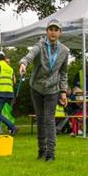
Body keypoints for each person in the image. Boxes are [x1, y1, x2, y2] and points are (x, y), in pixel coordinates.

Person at [19, 18, 69, 161]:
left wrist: (63, 92)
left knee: (49, 119)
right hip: (36, 87)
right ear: (47, 32)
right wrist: (23, 64)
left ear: (60, 32)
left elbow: (63, 73)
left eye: (56, 30)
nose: (53, 32)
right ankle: (41, 150)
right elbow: (29, 56)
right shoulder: (40, 45)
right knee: (40, 119)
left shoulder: (64, 51)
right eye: (50, 30)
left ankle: (51, 153)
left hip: (52, 89)